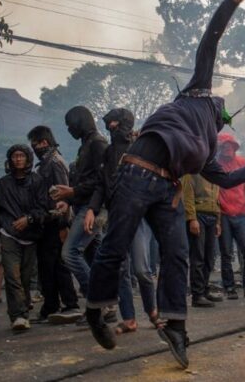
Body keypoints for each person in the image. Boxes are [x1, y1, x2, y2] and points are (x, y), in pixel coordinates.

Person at [84, 0, 245, 369]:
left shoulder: (205, 148)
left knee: (178, 255)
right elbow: (210, 42)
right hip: (137, 175)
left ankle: (175, 325)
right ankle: (97, 309)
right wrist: (230, 3)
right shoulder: (195, 93)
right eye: (222, 110)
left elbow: (224, 180)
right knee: (115, 246)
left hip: (166, 189)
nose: (222, 114)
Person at [86, 108, 158, 334]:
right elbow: (101, 184)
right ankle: (129, 319)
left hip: (136, 216)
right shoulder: (108, 153)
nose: (111, 127)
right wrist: (92, 209)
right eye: (109, 124)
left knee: (141, 269)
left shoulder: (141, 148)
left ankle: (153, 311)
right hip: (116, 216)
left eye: (115, 123)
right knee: (120, 270)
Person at [0, 145, 50, 331]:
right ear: (10, 159)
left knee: (24, 277)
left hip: (30, 236)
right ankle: (18, 316)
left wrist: (28, 219)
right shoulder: (4, 183)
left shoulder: (37, 181)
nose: (18, 159)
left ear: (28, 158)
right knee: (12, 276)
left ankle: (24, 310)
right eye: (14, 156)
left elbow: (43, 208)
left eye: (21, 156)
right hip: (8, 234)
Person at [50, 106, 108, 301]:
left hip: (92, 208)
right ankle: (104, 303)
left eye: (70, 124)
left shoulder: (97, 143)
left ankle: (96, 299)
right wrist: (68, 200)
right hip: (84, 205)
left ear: (80, 121)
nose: (69, 129)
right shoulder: (86, 145)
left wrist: (73, 192)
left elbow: (102, 179)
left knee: (70, 253)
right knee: (96, 258)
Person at [27, 125, 82, 324]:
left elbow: (62, 194)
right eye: (33, 143)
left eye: (38, 142)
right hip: (47, 220)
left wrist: (62, 224)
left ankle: (64, 304)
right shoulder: (46, 162)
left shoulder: (55, 162)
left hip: (54, 221)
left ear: (46, 141)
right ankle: (58, 304)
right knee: (50, 266)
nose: (35, 146)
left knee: (54, 265)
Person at [216, 132, 245, 299]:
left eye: (230, 146)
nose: (227, 148)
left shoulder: (242, 163)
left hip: (242, 214)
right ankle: (229, 287)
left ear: (234, 147)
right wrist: (217, 219)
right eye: (224, 146)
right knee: (226, 252)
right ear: (219, 147)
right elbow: (215, 192)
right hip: (224, 215)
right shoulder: (215, 165)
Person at [182, 171, 223, 308]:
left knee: (209, 258)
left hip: (211, 216)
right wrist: (192, 218)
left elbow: (217, 198)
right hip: (198, 215)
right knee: (198, 257)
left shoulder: (213, 172)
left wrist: (218, 221)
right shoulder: (192, 171)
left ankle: (204, 290)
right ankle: (197, 295)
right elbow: (187, 195)